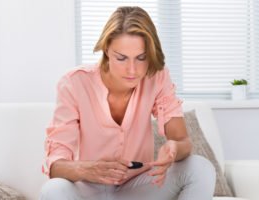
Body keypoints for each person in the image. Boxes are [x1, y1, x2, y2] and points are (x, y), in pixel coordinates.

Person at [40, 6, 215, 200]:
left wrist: (173, 149)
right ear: (106, 49)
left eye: (141, 58)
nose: (132, 70)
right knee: (53, 189)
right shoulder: (74, 83)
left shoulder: (156, 77)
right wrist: (88, 169)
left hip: (137, 189)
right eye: (121, 58)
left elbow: (182, 142)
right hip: (88, 189)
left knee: (200, 168)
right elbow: (56, 165)